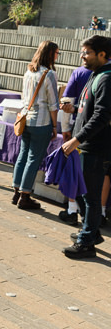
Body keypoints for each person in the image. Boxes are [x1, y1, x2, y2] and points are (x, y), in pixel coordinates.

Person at [61, 35, 111, 259]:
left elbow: (102, 116)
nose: (83, 56)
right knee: (81, 193)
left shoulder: (107, 78)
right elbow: (90, 110)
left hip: (94, 148)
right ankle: (91, 232)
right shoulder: (96, 75)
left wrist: (76, 139)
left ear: (102, 54)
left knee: (89, 196)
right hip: (85, 145)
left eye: (87, 52)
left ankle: (87, 242)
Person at [11, 41, 59, 210]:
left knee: (23, 155)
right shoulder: (49, 74)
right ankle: (25, 196)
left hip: (26, 118)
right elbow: (54, 104)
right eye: (56, 53)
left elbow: (25, 98)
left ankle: (16, 191)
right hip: (42, 121)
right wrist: (54, 126)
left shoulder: (29, 72)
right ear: (50, 53)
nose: (57, 56)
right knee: (33, 158)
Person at [57, 65, 92, 225]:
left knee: (75, 170)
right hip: (100, 135)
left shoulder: (81, 72)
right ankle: (101, 212)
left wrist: (65, 128)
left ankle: (72, 209)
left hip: (80, 130)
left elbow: (67, 100)